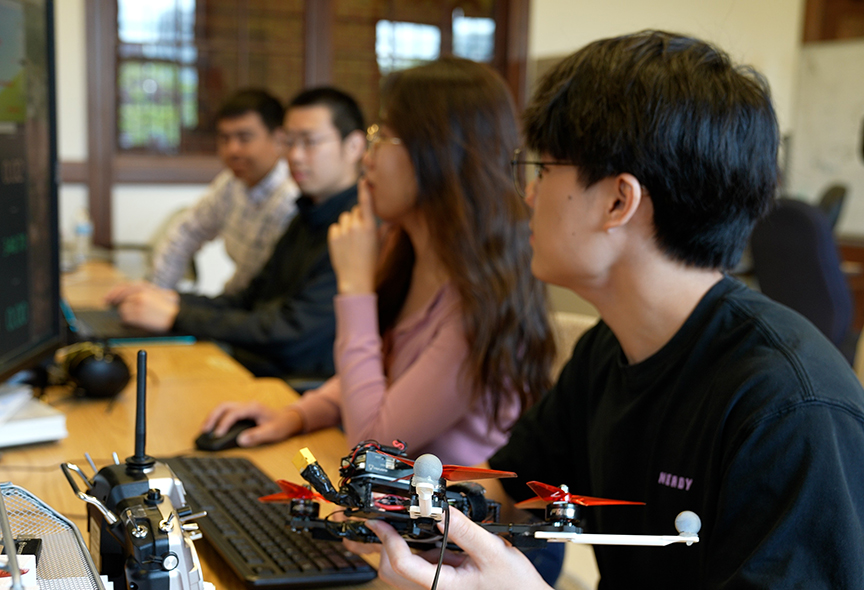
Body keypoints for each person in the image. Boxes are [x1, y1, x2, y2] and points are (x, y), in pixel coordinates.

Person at [359, 31, 864, 589]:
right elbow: (512, 492)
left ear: (619, 201)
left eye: (543, 170)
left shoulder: (791, 411)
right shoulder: (611, 348)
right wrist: (390, 511)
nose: (527, 195)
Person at [201, 57, 555, 466]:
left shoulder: (479, 304)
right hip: (392, 506)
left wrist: (354, 287)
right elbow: (381, 370)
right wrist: (296, 415)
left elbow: (372, 441)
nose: (367, 159)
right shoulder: (408, 253)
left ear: (437, 155)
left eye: (383, 137)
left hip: (449, 523)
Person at [107, 87, 366, 378]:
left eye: (309, 142)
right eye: (290, 142)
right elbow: (249, 298)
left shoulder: (357, 227)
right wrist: (170, 299)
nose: (294, 156)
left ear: (354, 146)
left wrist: (178, 316)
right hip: (259, 364)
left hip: (293, 383)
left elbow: (292, 332)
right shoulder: (307, 213)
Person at [150, 88, 299, 296]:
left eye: (244, 138)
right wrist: (157, 292)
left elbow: (256, 284)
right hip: (240, 302)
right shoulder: (230, 184)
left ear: (278, 139)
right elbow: (187, 232)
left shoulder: (290, 199)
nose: (232, 150)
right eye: (225, 139)